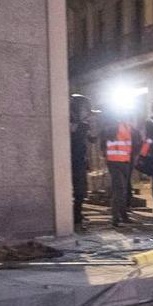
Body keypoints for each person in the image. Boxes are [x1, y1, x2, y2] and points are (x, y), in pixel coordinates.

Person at [100, 111, 135, 227]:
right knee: (119, 189)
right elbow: (105, 139)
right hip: (115, 161)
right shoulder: (112, 126)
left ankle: (123, 215)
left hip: (125, 161)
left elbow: (131, 143)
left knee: (124, 189)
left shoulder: (127, 126)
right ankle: (116, 218)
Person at [69, 94, 94, 229]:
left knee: (81, 190)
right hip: (70, 161)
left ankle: (77, 214)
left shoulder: (84, 124)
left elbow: (92, 138)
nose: (86, 112)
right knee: (74, 190)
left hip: (80, 160)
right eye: (84, 109)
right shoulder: (68, 120)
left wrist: (92, 126)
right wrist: (82, 125)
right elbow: (73, 132)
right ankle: (73, 217)